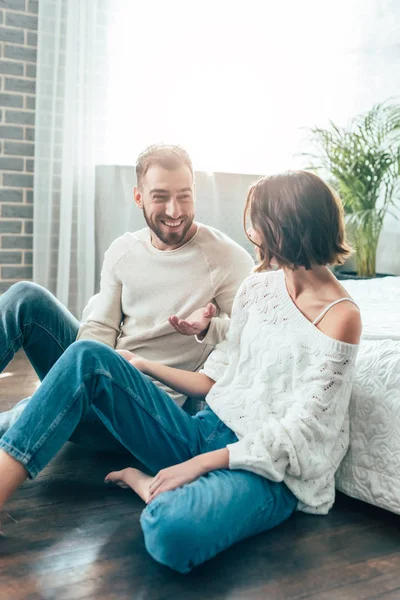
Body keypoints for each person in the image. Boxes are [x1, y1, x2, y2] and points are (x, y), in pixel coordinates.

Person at [0, 170, 361, 574]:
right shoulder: (259, 288)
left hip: (267, 468)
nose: (252, 234)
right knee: (87, 355)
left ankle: (146, 483)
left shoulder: (340, 317)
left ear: (290, 227)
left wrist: (197, 466)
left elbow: (306, 433)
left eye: (258, 223)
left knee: (172, 533)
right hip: (201, 431)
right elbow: (213, 381)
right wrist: (141, 366)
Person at [0, 144, 254, 444]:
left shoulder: (225, 258)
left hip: (145, 409)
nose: (175, 210)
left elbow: (255, 333)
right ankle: (57, 403)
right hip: (100, 378)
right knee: (24, 297)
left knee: (23, 415)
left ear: (194, 193)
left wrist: (210, 328)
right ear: (138, 197)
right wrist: (76, 382)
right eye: (161, 197)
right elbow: (101, 328)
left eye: (184, 196)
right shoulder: (123, 250)